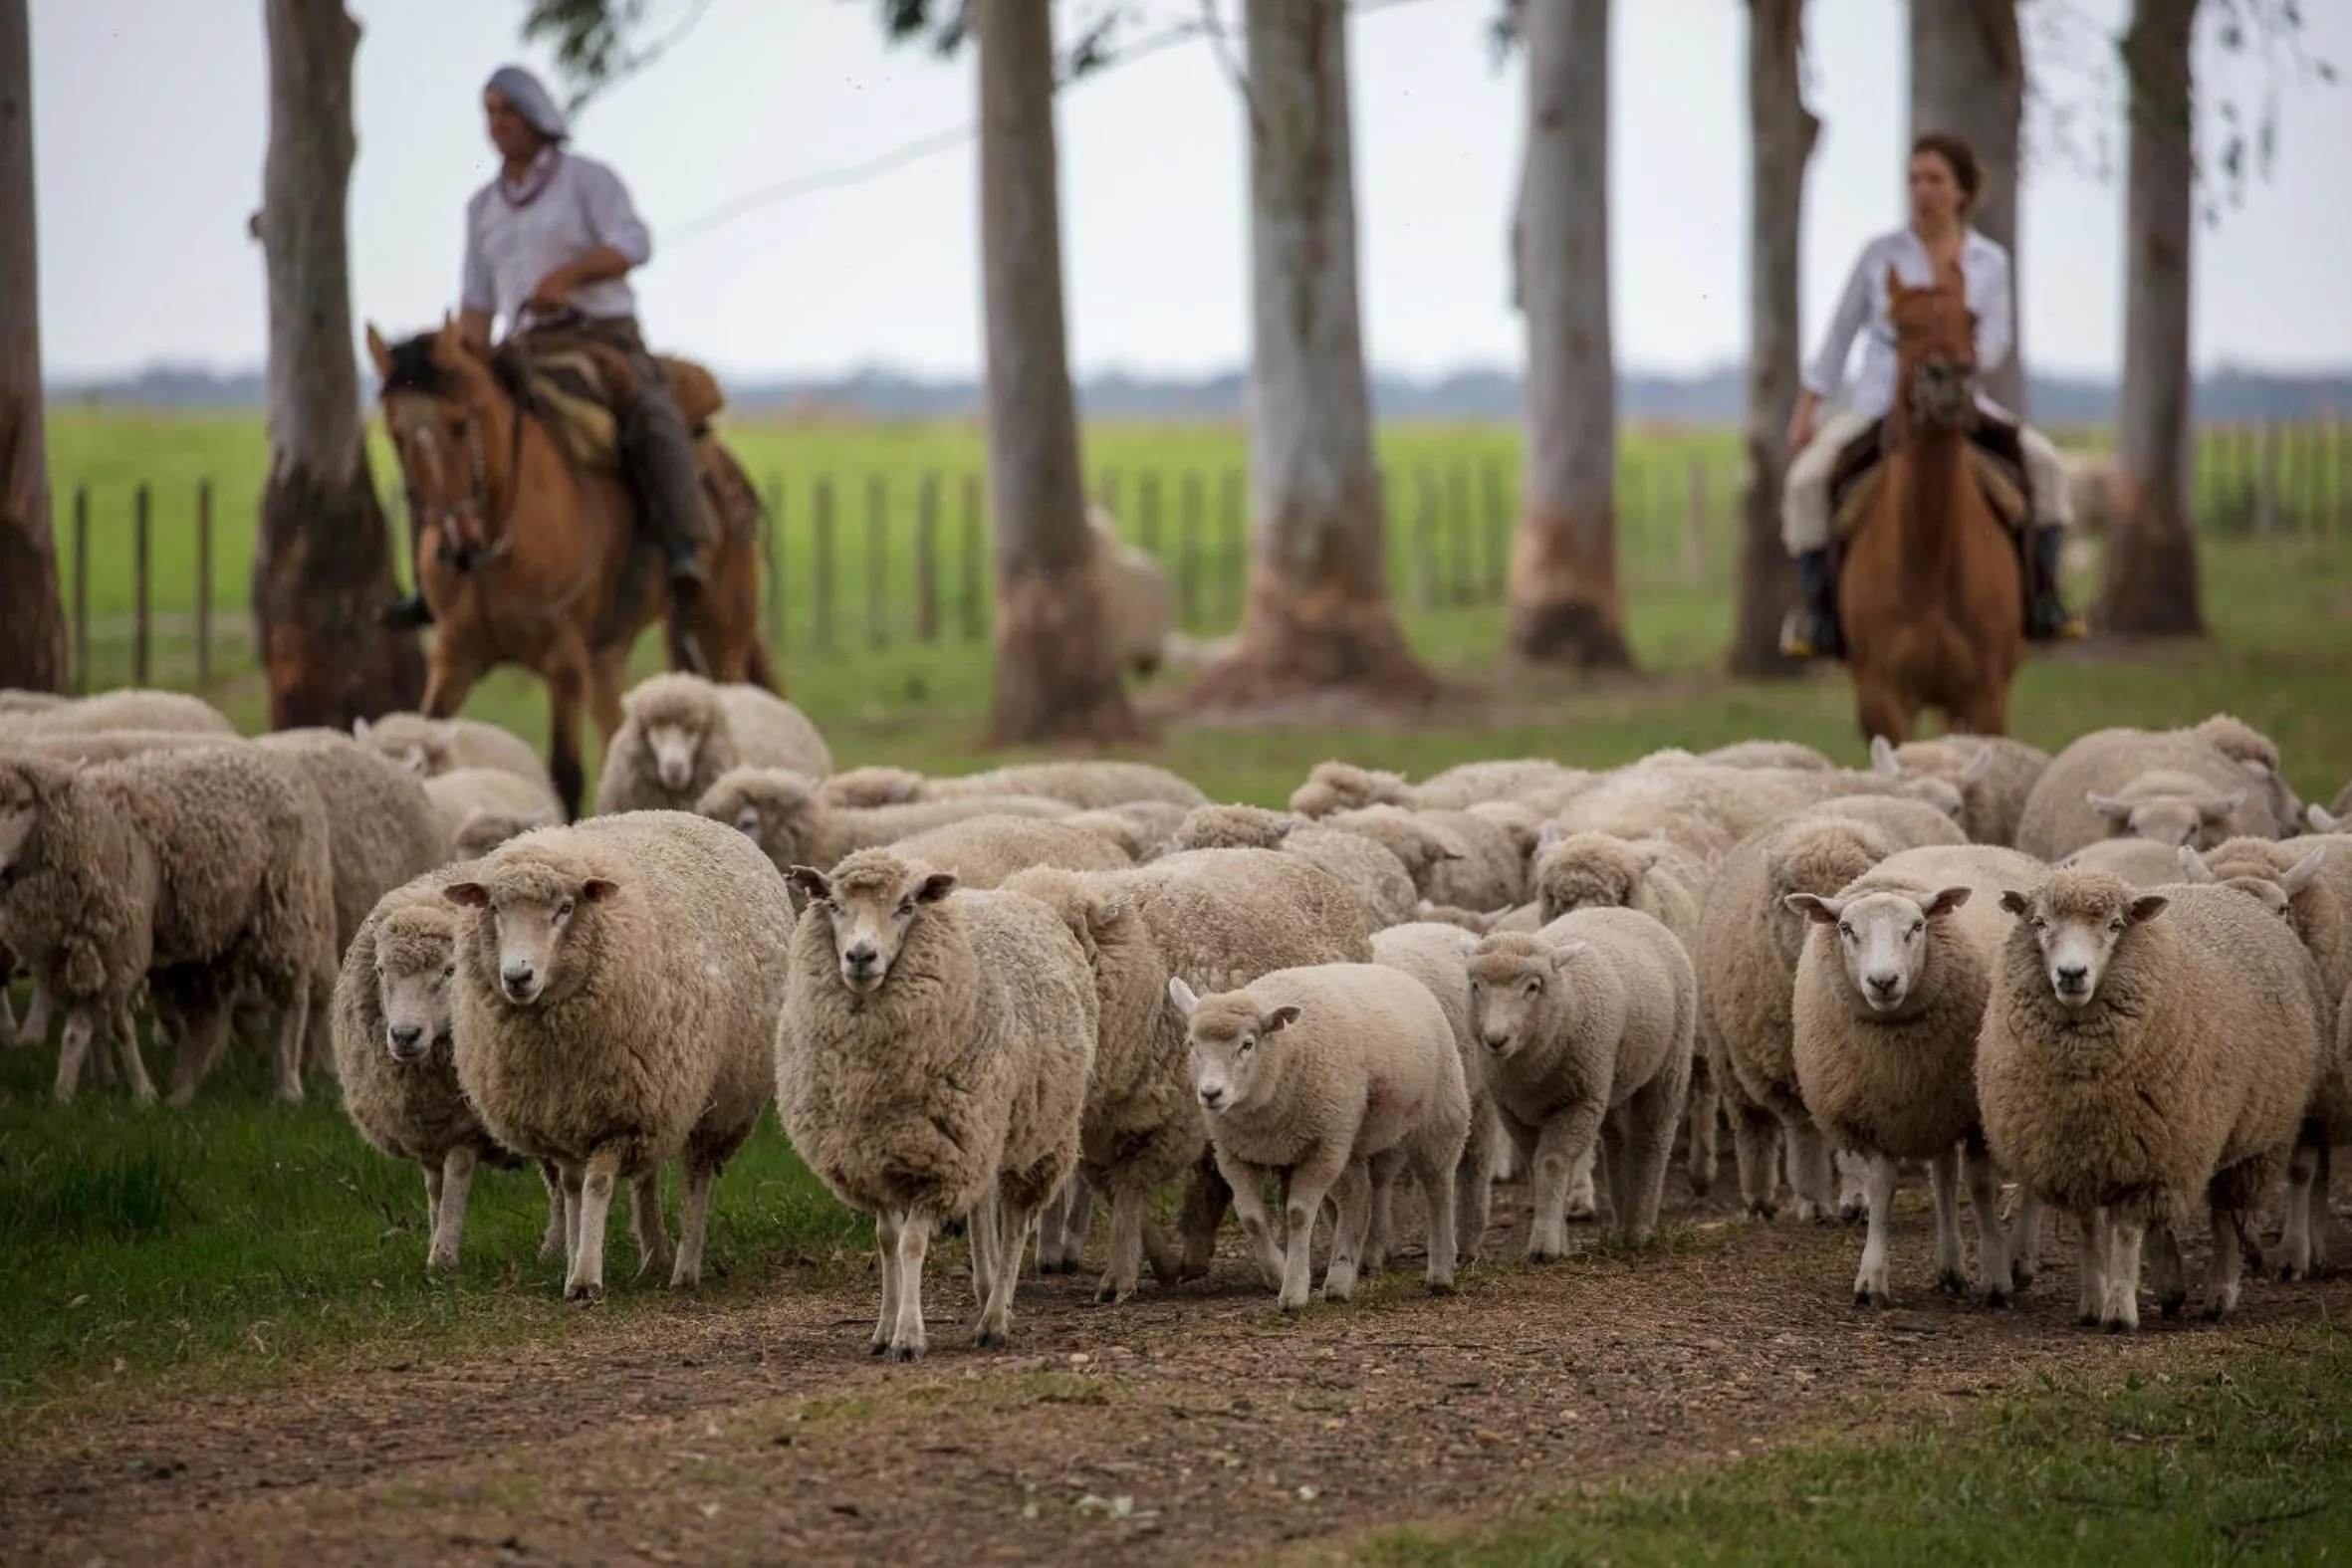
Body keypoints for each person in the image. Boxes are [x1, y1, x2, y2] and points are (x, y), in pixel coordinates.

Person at [380, 64, 711, 631]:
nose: (498, 123)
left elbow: (635, 241)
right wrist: (461, 356)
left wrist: (572, 276)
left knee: (650, 413)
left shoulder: (587, 179)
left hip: (601, 335)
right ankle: (432, 580)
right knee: (438, 430)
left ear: (536, 115)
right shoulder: (482, 207)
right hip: (525, 345)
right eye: (489, 113)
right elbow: (477, 301)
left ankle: (686, 544)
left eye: (508, 111)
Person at [1778, 130, 2083, 660]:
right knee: (1805, 484)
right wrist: (1808, 407)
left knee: (2049, 467)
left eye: (1935, 180)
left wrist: (1954, 364)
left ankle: (2044, 600)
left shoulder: (1990, 263)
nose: (1923, 191)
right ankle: (1819, 614)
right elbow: (1838, 335)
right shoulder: (1880, 256)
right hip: (1878, 403)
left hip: (1962, 403)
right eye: (1915, 179)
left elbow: (1996, 341)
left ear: (1961, 191)